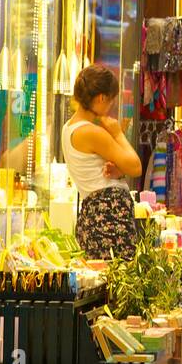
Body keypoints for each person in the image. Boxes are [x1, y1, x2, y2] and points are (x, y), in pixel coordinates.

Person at [62, 65, 143, 260]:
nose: (111, 106)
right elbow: (136, 166)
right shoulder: (91, 132)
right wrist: (117, 133)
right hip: (110, 217)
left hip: (94, 215)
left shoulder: (69, 128)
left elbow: (105, 169)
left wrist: (118, 171)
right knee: (115, 283)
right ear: (101, 98)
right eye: (111, 100)